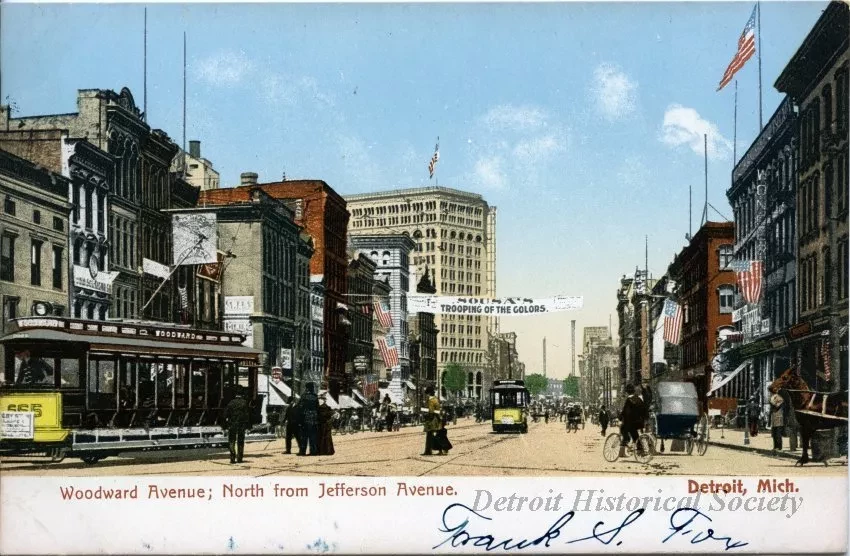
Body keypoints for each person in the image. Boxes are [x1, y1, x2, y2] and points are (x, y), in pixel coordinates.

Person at [618, 384, 648, 457]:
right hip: (639, 422)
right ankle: (639, 450)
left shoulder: (629, 400)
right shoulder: (639, 399)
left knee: (624, 431)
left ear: (627, 392)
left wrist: (620, 417)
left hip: (630, 423)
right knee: (635, 436)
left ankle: (622, 452)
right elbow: (644, 410)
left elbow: (625, 411)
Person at [223, 387, 251, 464]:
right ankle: (239, 458)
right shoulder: (244, 403)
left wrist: (225, 425)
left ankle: (232, 458)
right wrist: (248, 426)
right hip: (241, 425)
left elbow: (225, 415)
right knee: (240, 441)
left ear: (235, 394)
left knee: (231, 441)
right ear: (242, 394)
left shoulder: (231, 403)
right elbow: (247, 415)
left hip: (232, 424)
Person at [298, 383, 319, 456]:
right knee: (313, 436)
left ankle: (302, 451)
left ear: (307, 388)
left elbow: (300, 408)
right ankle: (313, 451)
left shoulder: (304, 396)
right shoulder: (315, 397)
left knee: (304, 436)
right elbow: (317, 408)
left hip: (305, 418)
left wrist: (299, 419)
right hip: (314, 418)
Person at [422, 386, 442, 456]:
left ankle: (428, 451)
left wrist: (424, 413)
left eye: (427, 393)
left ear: (429, 393)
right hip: (435, 418)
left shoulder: (430, 400)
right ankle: (430, 450)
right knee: (433, 435)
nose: (426, 395)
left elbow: (430, 411)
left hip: (431, 419)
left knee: (430, 435)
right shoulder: (435, 399)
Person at [769, 388, 785, 452]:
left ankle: (779, 447)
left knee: (778, 434)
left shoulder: (780, 398)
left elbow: (777, 406)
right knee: (774, 434)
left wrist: (772, 402)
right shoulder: (772, 397)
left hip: (778, 417)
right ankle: (775, 446)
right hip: (774, 417)